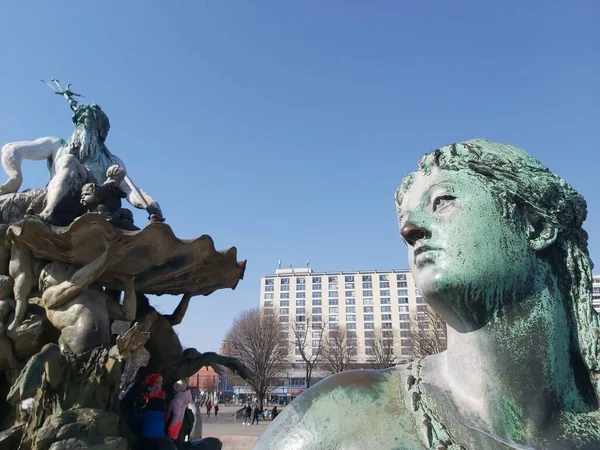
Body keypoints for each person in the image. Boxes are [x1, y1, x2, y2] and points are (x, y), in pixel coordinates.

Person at [253, 139, 600, 449]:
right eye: (404, 218)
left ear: (536, 226)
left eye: (442, 201)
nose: (408, 230)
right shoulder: (334, 419)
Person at [139, 373, 177, 450]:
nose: (161, 384)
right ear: (155, 384)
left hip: (146, 436)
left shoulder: (146, 394)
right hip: (157, 436)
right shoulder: (159, 397)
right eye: (160, 382)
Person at [165, 378, 193, 445]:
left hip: (173, 427)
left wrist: (171, 430)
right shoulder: (184, 398)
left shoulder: (177, 401)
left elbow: (176, 416)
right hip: (179, 426)